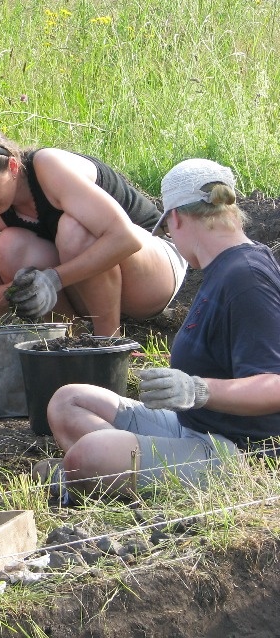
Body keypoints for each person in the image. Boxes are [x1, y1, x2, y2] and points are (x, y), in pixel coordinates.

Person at [41, 158, 280, 498]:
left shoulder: (247, 279)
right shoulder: (224, 270)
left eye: (167, 230)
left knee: (89, 455)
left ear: (177, 218)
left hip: (236, 452)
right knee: (68, 402)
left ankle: (81, 479)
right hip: (194, 426)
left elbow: (275, 384)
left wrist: (199, 390)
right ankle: (99, 477)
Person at [0, 125, 188, 337]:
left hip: (152, 275)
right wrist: (23, 290)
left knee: (73, 230)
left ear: (13, 165)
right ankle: (71, 341)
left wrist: (53, 279)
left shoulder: (47, 165)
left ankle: (107, 343)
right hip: (86, 287)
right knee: (10, 245)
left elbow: (127, 239)